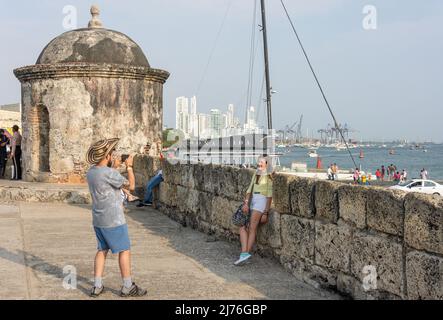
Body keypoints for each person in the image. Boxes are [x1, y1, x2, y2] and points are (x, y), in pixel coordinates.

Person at [86, 138, 147, 298]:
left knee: (102, 250)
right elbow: (131, 186)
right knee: (124, 250)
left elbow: (106, 179)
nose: (114, 155)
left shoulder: (91, 172)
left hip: (98, 219)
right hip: (114, 220)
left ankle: (97, 285)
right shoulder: (109, 173)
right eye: (112, 153)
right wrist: (129, 166)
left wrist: (113, 167)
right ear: (106, 156)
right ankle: (128, 286)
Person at [235, 156, 273, 266]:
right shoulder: (256, 173)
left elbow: (269, 196)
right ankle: (244, 253)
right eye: (258, 162)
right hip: (252, 201)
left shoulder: (269, 177)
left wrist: (265, 212)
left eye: (261, 162)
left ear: (267, 164)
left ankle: (244, 253)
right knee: (242, 226)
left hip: (261, 200)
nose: (259, 164)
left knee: (252, 227)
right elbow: (249, 189)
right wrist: (246, 203)